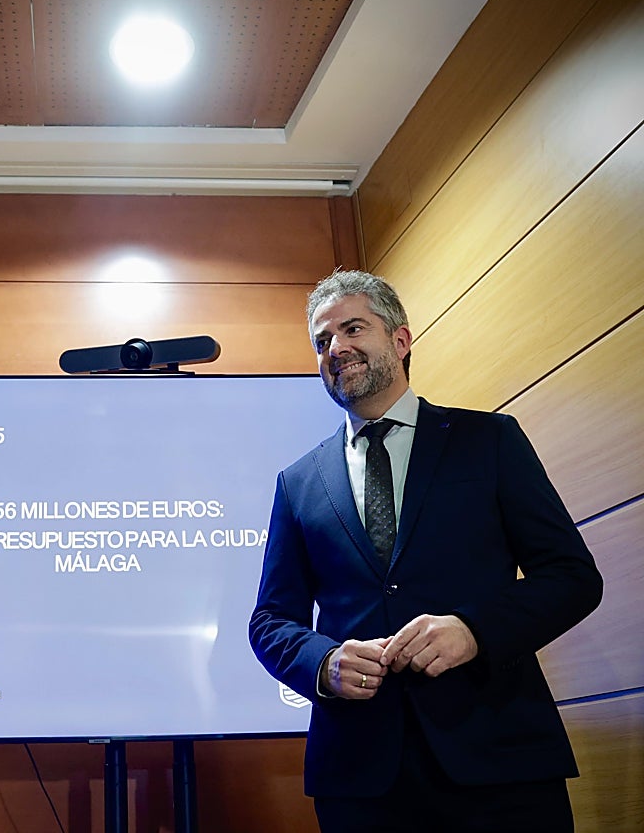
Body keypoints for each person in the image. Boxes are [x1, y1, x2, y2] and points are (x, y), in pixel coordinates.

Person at [248, 270, 602, 833]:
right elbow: (270, 621)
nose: (336, 348)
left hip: (499, 763)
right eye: (322, 340)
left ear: (400, 339)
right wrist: (322, 662)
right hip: (360, 778)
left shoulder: (489, 441)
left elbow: (571, 576)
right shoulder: (298, 482)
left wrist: (474, 630)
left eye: (352, 328)